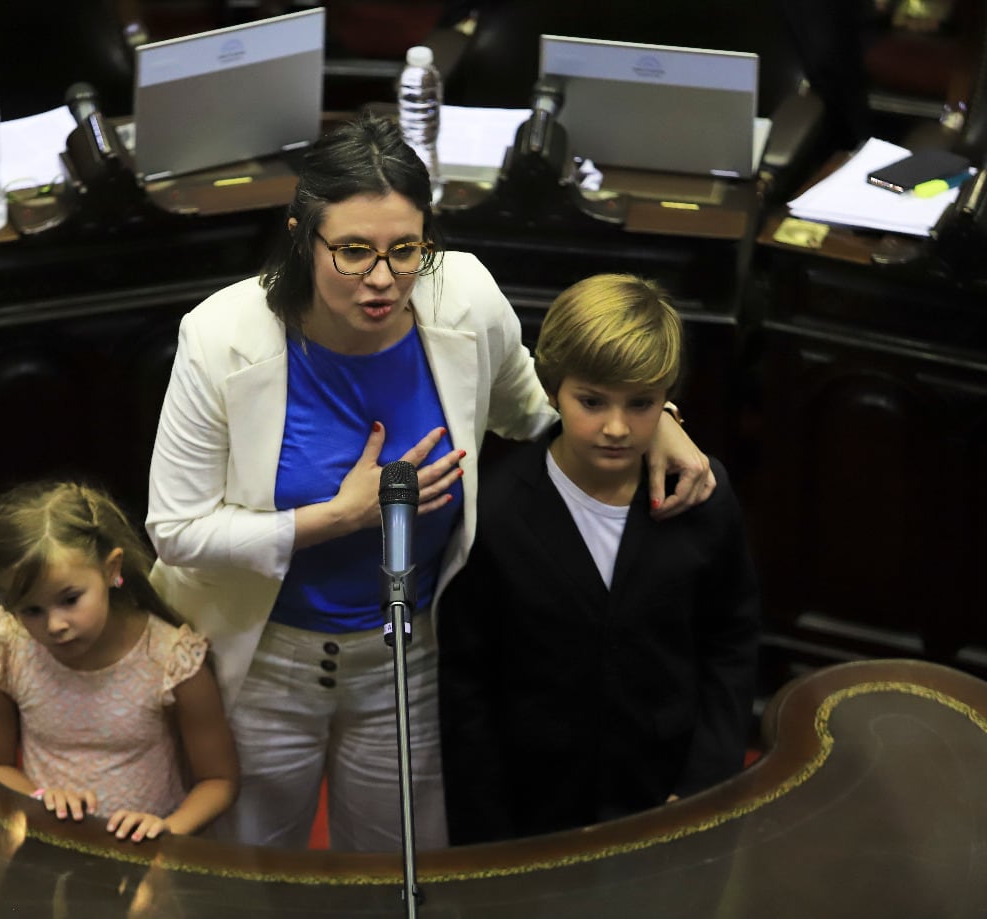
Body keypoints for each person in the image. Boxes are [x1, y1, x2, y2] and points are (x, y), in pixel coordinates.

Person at [144, 115, 715, 852]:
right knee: (247, 877)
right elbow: (176, 529)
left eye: (405, 249)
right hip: (261, 663)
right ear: (300, 234)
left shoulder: (465, 298)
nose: (382, 279)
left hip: (407, 658)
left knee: (399, 871)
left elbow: (539, 412)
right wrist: (333, 517)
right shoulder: (220, 337)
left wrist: (655, 415)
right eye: (352, 250)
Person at [438, 274, 760, 845]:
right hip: (533, 807)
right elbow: (469, 687)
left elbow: (729, 644)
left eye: (641, 404)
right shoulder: (496, 510)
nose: (615, 427)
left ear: (667, 402)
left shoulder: (702, 497)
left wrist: (704, 785)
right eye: (592, 402)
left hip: (667, 793)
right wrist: (487, 831)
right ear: (553, 389)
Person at [0, 479, 239, 842]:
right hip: (54, 850)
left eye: (70, 599)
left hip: (150, 857)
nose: (55, 626)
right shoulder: (7, 651)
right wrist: (39, 798)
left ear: (112, 570)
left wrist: (167, 829)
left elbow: (218, 780)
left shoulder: (171, 658)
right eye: (31, 610)